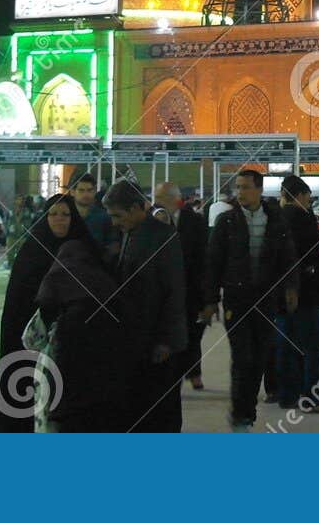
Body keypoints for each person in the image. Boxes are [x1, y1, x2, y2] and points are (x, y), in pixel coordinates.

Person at [0, 193, 98, 431]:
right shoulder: (32, 251)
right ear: (45, 217)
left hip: (71, 343)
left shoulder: (84, 250)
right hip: (30, 343)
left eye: (65, 215)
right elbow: (17, 304)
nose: (59, 220)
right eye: (53, 214)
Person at [201, 168, 298, 428]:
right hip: (237, 299)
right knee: (242, 356)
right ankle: (240, 409)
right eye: (238, 187)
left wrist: (291, 287)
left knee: (260, 355)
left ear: (259, 189)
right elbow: (213, 262)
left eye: (245, 187)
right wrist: (210, 300)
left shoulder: (275, 221)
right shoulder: (227, 221)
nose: (240, 193)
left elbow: (288, 258)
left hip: (266, 299)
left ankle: (248, 407)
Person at [106, 180, 187, 432]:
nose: (114, 222)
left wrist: (164, 340)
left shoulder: (162, 236)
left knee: (161, 408)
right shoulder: (129, 233)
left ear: (135, 209)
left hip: (159, 341)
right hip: (137, 337)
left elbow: (173, 291)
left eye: (118, 216)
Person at [36, 236, 132, 432]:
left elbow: (45, 305)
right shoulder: (101, 276)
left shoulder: (57, 274)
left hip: (71, 343)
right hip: (108, 349)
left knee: (71, 400)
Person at [275, 175, 319, 407]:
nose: (309, 201)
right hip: (305, 291)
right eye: (307, 196)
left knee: (286, 345)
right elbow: (310, 254)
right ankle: (312, 394)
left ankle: (287, 395)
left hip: (281, 292)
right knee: (313, 345)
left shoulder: (275, 218)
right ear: (300, 195)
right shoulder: (303, 217)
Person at [156, 181, 209, 392]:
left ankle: (194, 372)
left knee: (193, 335)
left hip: (191, 290)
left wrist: (208, 298)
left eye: (161, 199)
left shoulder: (195, 222)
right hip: (164, 292)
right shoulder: (153, 220)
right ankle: (172, 377)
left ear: (174, 200)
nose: (156, 203)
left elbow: (204, 260)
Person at [70, 172, 113, 253]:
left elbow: (112, 245)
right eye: (81, 190)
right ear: (72, 192)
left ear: (95, 191)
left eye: (89, 190)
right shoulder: (66, 216)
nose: (86, 194)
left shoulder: (104, 217)